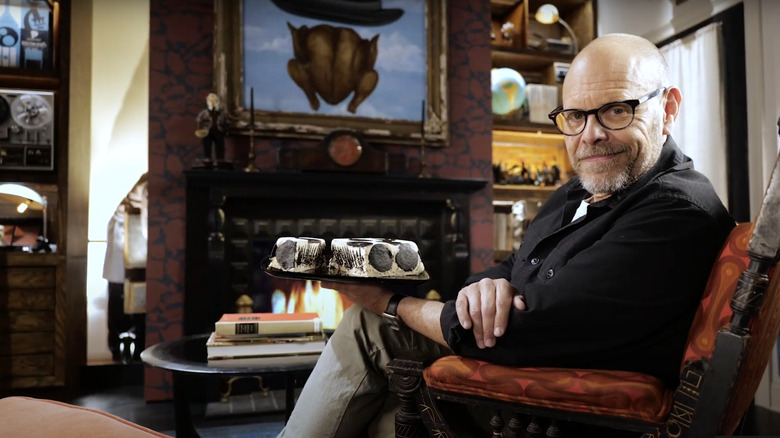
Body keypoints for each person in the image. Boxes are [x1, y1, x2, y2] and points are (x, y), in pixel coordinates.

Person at [276, 33, 736, 437]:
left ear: (668, 108)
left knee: (369, 325)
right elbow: (516, 265)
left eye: (616, 110)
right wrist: (486, 287)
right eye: (574, 116)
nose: (590, 135)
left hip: (558, 413)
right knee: (381, 415)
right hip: (519, 383)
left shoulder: (675, 211)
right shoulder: (577, 191)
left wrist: (389, 302)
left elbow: (523, 331)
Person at [195, 92, 227, 165]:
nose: (213, 104)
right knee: (207, 144)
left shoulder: (221, 113)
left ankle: (220, 158)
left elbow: (224, 122)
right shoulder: (204, 113)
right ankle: (207, 158)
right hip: (207, 130)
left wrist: (224, 129)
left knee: (219, 144)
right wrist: (200, 129)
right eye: (211, 101)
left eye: (215, 101)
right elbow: (199, 120)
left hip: (218, 130)